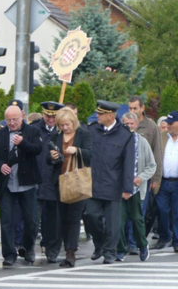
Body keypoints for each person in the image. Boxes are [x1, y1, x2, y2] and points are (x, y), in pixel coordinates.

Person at [85, 100, 136, 264]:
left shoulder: (125, 135)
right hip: (93, 184)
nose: (97, 116)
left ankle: (109, 252)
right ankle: (99, 244)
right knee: (90, 215)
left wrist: (127, 187)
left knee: (113, 224)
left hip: (114, 185)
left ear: (110, 115)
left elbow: (128, 163)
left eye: (101, 114)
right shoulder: (91, 130)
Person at [0, 105, 43, 266]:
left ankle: (28, 248)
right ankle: (9, 254)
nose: (12, 123)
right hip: (7, 183)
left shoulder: (32, 131)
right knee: (6, 220)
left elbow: (37, 149)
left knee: (31, 220)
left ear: (22, 116)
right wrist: (0, 166)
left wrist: (22, 143)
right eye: (8, 120)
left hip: (27, 183)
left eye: (14, 119)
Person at [47, 107, 92, 268]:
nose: (65, 128)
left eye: (67, 124)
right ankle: (67, 249)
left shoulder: (84, 134)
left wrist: (77, 150)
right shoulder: (55, 135)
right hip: (60, 181)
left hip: (77, 181)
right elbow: (48, 158)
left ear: (74, 122)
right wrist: (52, 157)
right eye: (62, 125)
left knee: (74, 218)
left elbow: (90, 154)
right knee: (63, 218)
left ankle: (71, 253)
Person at [117, 112, 156, 262]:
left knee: (137, 218)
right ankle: (120, 249)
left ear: (136, 124)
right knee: (119, 219)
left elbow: (152, 165)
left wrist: (141, 178)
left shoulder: (143, 142)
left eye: (131, 124)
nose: (129, 126)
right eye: (126, 124)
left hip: (137, 188)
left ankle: (142, 245)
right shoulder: (118, 141)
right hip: (120, 188)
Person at [31, 101, 64, 263]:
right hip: (36, 180)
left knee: (52, 222)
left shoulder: (63, 131)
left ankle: (52, 250)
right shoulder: (34, 128)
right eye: (47, 116)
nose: (50, 120)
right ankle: (29, 249)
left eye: (53, 117)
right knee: (32, 220)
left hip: (54, 182)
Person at [156, 111, 178, 252]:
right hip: (163, 181)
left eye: (171, 123)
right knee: (161, 210)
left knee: (177, 213)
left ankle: (176, 242)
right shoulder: (162, 137)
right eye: (167, 123)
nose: (168, 126)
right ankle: (164, 237)